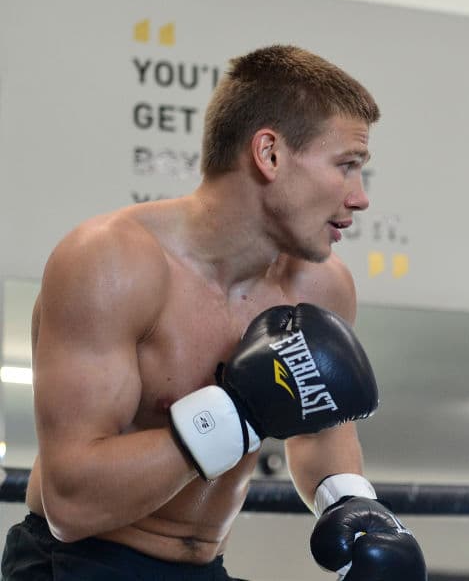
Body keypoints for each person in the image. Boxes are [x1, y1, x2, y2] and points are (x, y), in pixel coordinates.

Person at [0, 45, 426, 580]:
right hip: (78, 560)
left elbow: (319, 429)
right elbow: (72, 503)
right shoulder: (111, 263)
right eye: (346, 166)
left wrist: (349, 501)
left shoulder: (321, 285)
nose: (360, 198)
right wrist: (238, 413)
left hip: (206, 566)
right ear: (269, 154)